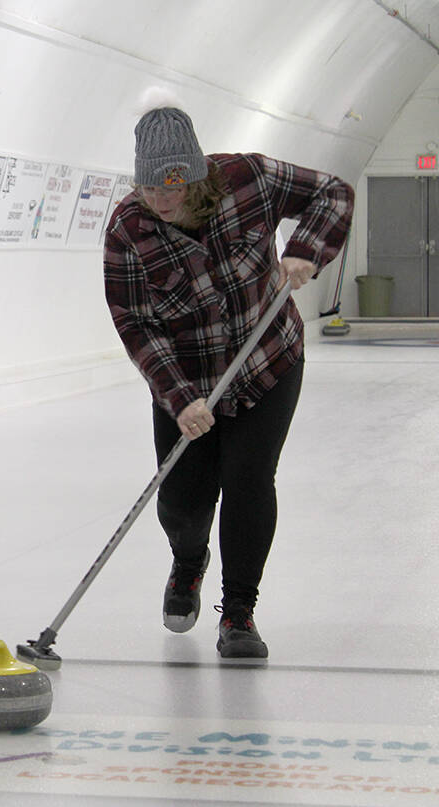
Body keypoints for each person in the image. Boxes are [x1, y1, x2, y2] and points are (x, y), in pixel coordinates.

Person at [102, 92, 354, 660]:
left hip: (267, 363)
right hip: (187, 380)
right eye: (149, 187)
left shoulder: (250, 178)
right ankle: (188, 562)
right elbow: (136, 323)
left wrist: (306, 249)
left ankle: (238, 613)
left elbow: (333, 192)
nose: (162, 199)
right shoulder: (128, 229)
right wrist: (180, 398)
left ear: (196, 176)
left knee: (248, 480)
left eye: (173, 186)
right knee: (183, 503)